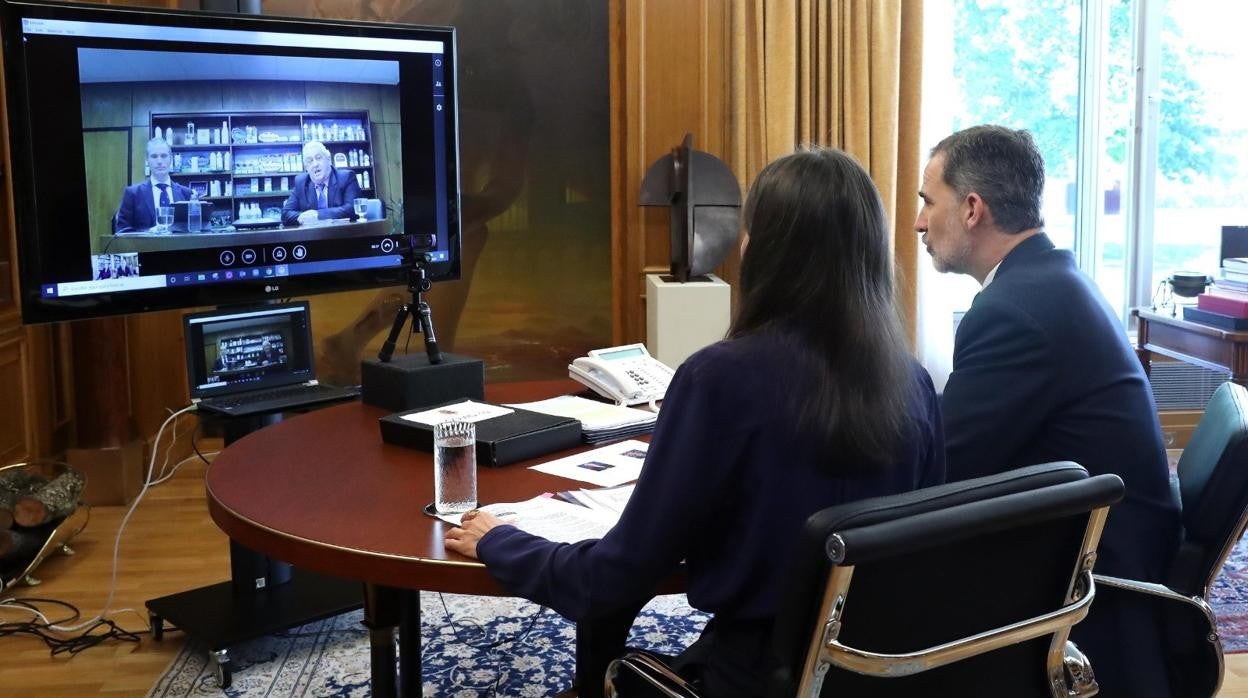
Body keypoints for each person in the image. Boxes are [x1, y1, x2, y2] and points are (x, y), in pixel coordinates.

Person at [445, 147, 946, 696]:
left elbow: (611, 581)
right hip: (870, 675)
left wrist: (501, 542)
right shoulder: (915, 384)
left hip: (751, 678)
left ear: (763, 250)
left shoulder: (720, 378)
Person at [915, 124, 1181, 695]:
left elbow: (942, 466)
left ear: (971, 209)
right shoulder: (1049, 281)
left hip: (1092, 582)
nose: (918, 222)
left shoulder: (1014, 311)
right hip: (1109, 542)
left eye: (926, 201)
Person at [114, 137, 194, 233]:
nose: (159, 161)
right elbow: (121, 232)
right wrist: (148, 233)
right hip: (145, 247)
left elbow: (193, 230)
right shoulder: (132, 194)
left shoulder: (186, 193)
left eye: (163, 156)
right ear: (147, 160)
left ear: (171, 159)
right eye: (154, 156)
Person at [280, 141, 358, 226]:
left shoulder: (346, 177)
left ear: (328, 159)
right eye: (310, 161)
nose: (315, 164)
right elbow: (286, 214)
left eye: (318, 158)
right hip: (312, 237)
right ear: (306, 168)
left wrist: (318, 215)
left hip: (343, 235)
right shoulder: (301, 182)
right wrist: (304, 216)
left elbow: (352, 209)